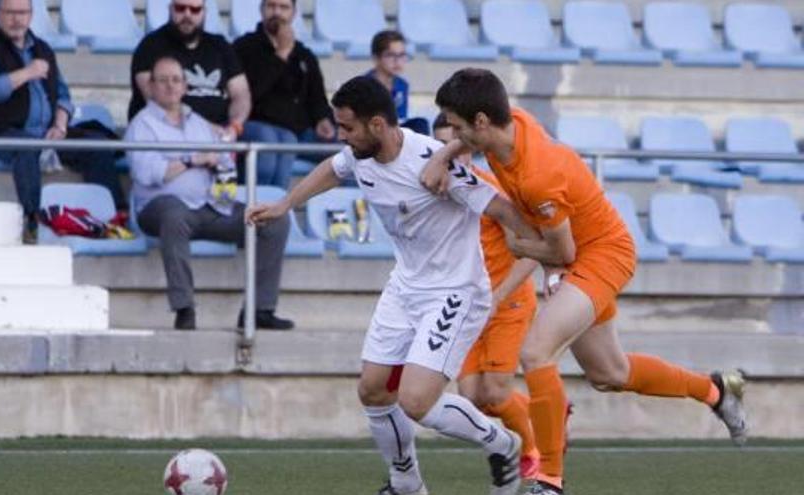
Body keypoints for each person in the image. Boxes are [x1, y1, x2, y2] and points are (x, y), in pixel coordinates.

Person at [422, 68, 748, 495]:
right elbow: (468, 142)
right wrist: (440, 158)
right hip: (575, 252)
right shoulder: (511, 121)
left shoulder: (538, 173)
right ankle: (716, 390)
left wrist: (521, 247)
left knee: (536, 352)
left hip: (601, 253)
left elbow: (564, 254)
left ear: (483, 122)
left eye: (459, 129)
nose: (455, 137)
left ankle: (549, 480)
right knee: (609, 372)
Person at [247, 76, 538, 495]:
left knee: (416, 401)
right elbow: (332, 169)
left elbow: (501, 209)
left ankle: (503, 444)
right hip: (406, 285)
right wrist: (284, 205)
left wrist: (546, 254)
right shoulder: (359, 155)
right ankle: (406, 485)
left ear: (378, 125)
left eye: (348, 128)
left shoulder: (434, 162)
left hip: (454, 290)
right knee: (373, 390)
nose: (342, 136)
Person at [126, 56, 293, 332]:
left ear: (185, 86)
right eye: (163, 80)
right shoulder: (141, 124)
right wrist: (194, 159)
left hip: (211, 205)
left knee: (274, 220)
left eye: (176, 80)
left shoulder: (199, 123)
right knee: (174, 214)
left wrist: (219, 163)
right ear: (151, 86)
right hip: (160, 207)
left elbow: (224, 162)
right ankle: (184, 309)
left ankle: (258, 309)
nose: (170, 86)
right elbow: (147, 172)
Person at [0, 0, 128, 243]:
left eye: (22, 13)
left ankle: (117, 217)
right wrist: (27, 73)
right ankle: (32, 222)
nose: (17, 19)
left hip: (46, 131)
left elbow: (63, 95)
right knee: (26, 147)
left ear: (31, 15)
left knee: (97, 145)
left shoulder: (42, 49)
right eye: (10, 13)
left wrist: (59, 125)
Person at [433, 113, 542, 480]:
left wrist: (498, 295)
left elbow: (533, 251)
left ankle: (530, 450)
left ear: (469, 149)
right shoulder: (433, 195)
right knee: (471, 398)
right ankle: (543, 412)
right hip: (466, 306)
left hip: (506, 302)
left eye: (456, 148)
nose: (449, 157)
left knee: (495, 394)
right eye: (440, 149)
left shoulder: (490, 192)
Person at [233, 0, 336, 189]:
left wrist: (323, 119)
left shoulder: (304, 55)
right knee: (275, 141)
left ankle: (348, 209)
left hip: (300, 131)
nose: (277, 12)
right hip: (257, 125)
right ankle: (262, 208)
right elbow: (249, 95)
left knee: (350, 147)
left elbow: (318, 100)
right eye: (271, 6)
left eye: (283, 7)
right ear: (261, 10)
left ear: (294, 13)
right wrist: (281, 55)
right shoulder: (244, 47)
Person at [128, 0, 251, 140]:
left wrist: (235, 126)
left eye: (195, 10)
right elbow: (158, 100)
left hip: (222, 135)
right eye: (180, 8)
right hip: (167, 135)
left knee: (264, 137)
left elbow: (241, 94)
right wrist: (208, 129)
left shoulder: (220, 46)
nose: (187, 14)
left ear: (204, 12)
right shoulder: (150, 46)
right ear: (170, 9)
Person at [366, 31, 429, 136]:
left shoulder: (402, 85)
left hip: (394, 131)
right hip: (372, 132)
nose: (397, 61)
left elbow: (400, 117)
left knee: (420, 124)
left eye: (401, 55)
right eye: (390, 55)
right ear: (376, 58)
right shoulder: (363, 85)